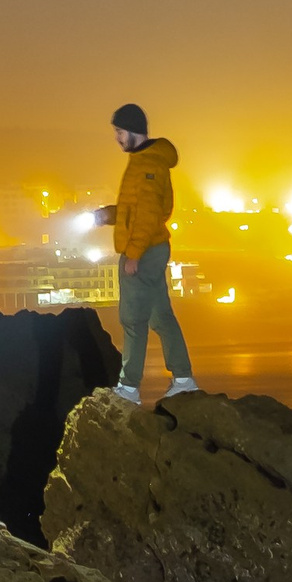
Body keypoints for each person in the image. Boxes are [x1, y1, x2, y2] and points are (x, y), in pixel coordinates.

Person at [97, 102, 200, 407]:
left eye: (119, 132)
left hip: (144, 252)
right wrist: (108, 215)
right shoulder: (146, 160)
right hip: (152, 249)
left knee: (133, 319)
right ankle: (184, 380)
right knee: (160, 316)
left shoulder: (148, 165)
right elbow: (138, 211)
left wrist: (133, 254)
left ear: (132, 131)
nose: (116, 138)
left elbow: (150, 215)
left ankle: (128, 388)